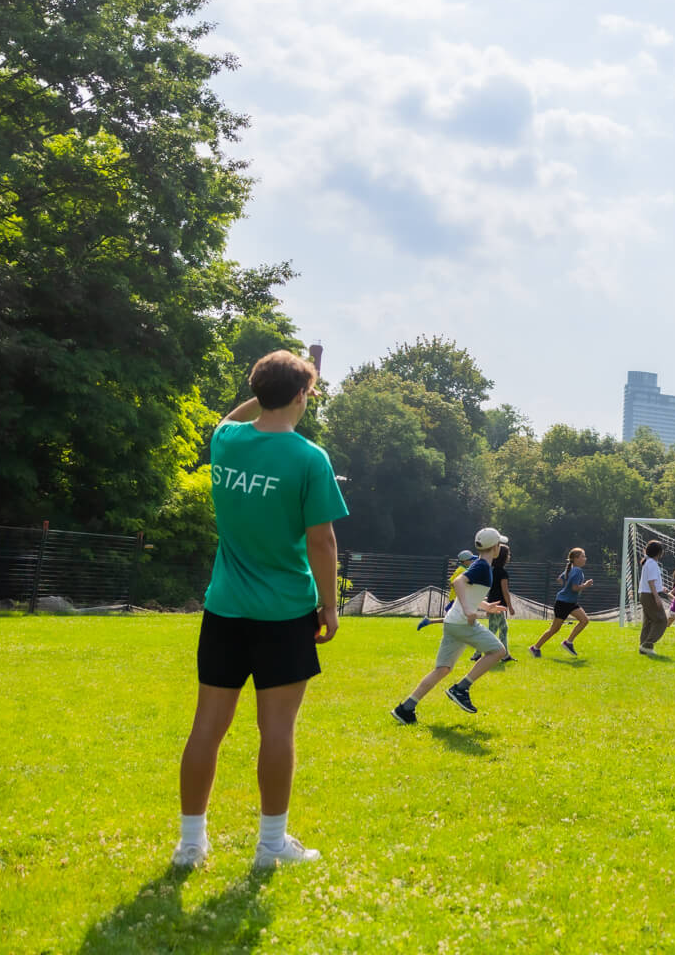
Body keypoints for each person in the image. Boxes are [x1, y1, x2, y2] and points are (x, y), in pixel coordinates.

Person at [175, 350, 347, 871]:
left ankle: (190, 845)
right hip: (285, 612)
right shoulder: (309, 458)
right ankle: (271, 848)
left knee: (207, 726)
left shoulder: (226, 442)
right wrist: (330, 606)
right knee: (276, 729)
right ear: (303, 397)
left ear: (258, 390)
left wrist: (286, 384)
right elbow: (322, 542)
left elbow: (235, 417)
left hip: (224, 608)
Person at [389, 539, 512, 724]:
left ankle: (405, 709)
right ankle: (461, 688)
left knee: (442, 669)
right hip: (462, 624)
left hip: (452, 623)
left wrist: (486, 606)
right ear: (495, 548)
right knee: (499, 651)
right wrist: (469, 610)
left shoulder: (481, 565)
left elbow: (470, 591)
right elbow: (459, 582)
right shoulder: (482, 566)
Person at [531, 548, 592, 658]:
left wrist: (566, 587)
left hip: (569, 602)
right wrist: (585, 585)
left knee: (584, 620)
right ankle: (535, 648)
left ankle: (568, 642)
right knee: (554, 629)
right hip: (564, 603)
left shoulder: (572, 568)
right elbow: (574, 588)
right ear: (576, 559)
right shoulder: (577, 571)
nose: (585, 558)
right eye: (583, 556)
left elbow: (560, 579)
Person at [418, 550, 475, 632]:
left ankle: (429, 621)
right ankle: (430, 622)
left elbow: (451, 582)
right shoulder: (462, 571)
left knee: (456, 619)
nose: (472, 561)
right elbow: (452, 583)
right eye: (471, 559)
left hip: (457, 598)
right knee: (456, 619)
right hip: (457, 599)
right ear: (465, 561)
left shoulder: (461, 569)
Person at [638, 540, 670, 655]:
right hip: (649, 595)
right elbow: (651, 582)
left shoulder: (649, 562)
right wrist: (656, 597)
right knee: (662, 620)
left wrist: (661, 588)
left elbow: (651, 582)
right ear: (659, 552)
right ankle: (647, 644)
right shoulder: (652, 563)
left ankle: (643, 648)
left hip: (645, 594)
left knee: (648, 622)